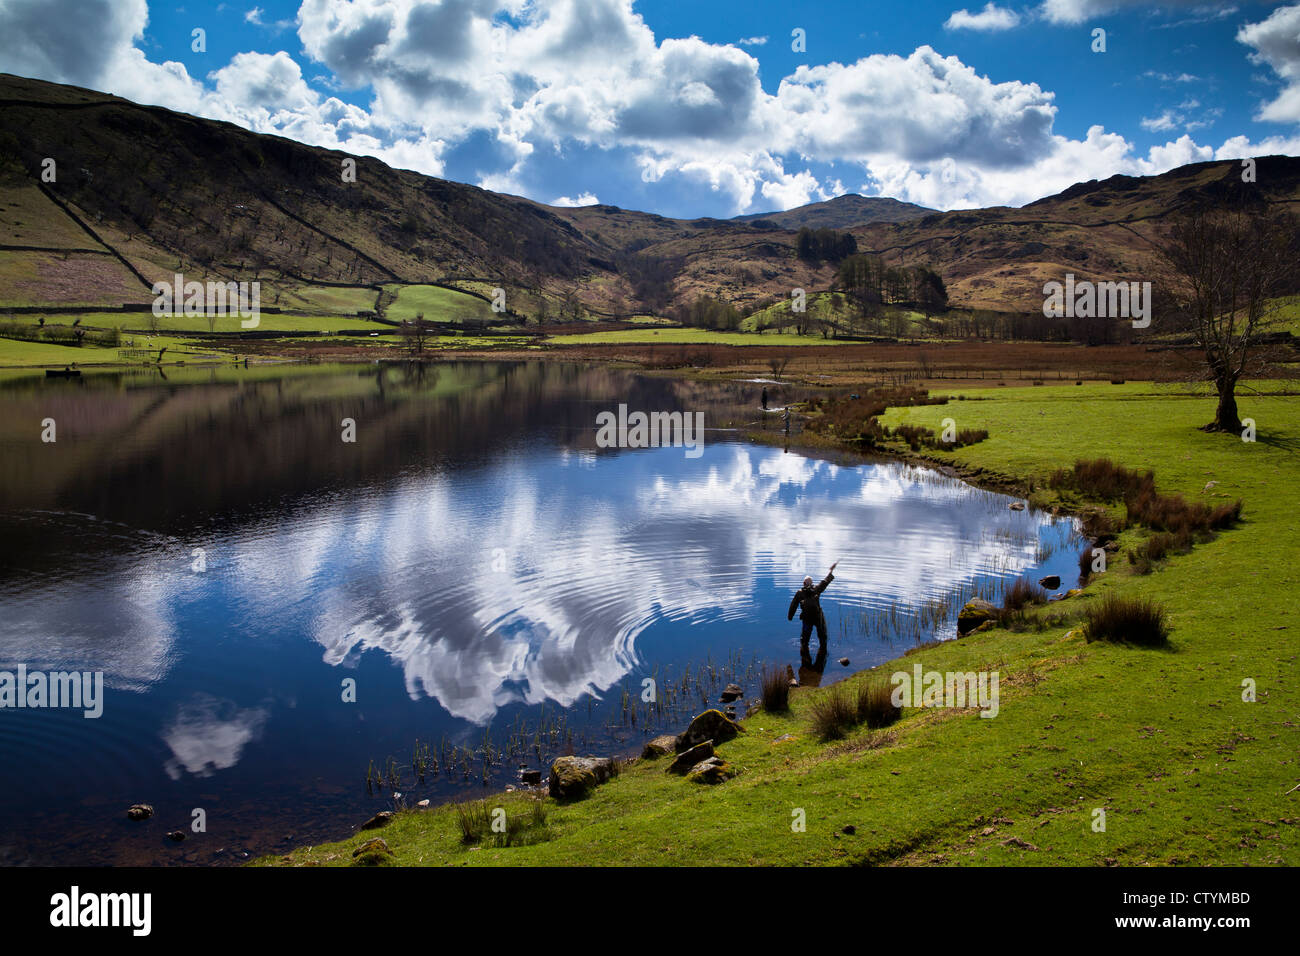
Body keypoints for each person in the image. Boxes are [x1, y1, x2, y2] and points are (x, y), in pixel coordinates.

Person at [787, 562, 836, 653]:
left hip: (807, 618)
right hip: (817, 617)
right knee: (822, 636)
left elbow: (793, 605)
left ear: (803, 583)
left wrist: (790, 617)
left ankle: (804, 652)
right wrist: (831, 570)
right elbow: (826, 581)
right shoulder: (816, 589)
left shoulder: (799, 593)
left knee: (805, 638)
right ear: (812, 583)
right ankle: (822, 650)